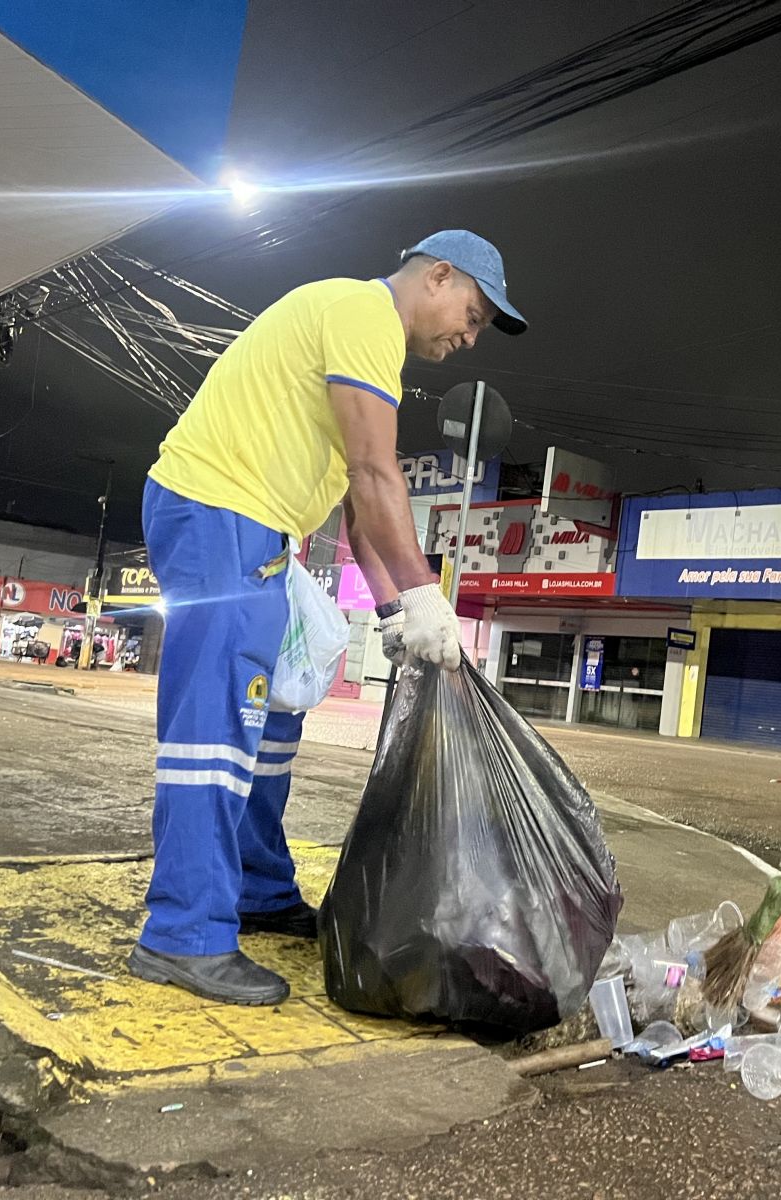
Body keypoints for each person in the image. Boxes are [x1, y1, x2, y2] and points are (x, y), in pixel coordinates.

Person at [129, 230, 527, 1006]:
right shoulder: (365, 316)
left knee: (274, 719)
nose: (469, 337)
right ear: (437, 276)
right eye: (472, 314)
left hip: (261, 529)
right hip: (220, 511)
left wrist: (391, 610)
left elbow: (355, 505)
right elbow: (379, 476)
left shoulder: (363, 333)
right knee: (218, 726)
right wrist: (423, 595)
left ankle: (257, 888)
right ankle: (183, 933)